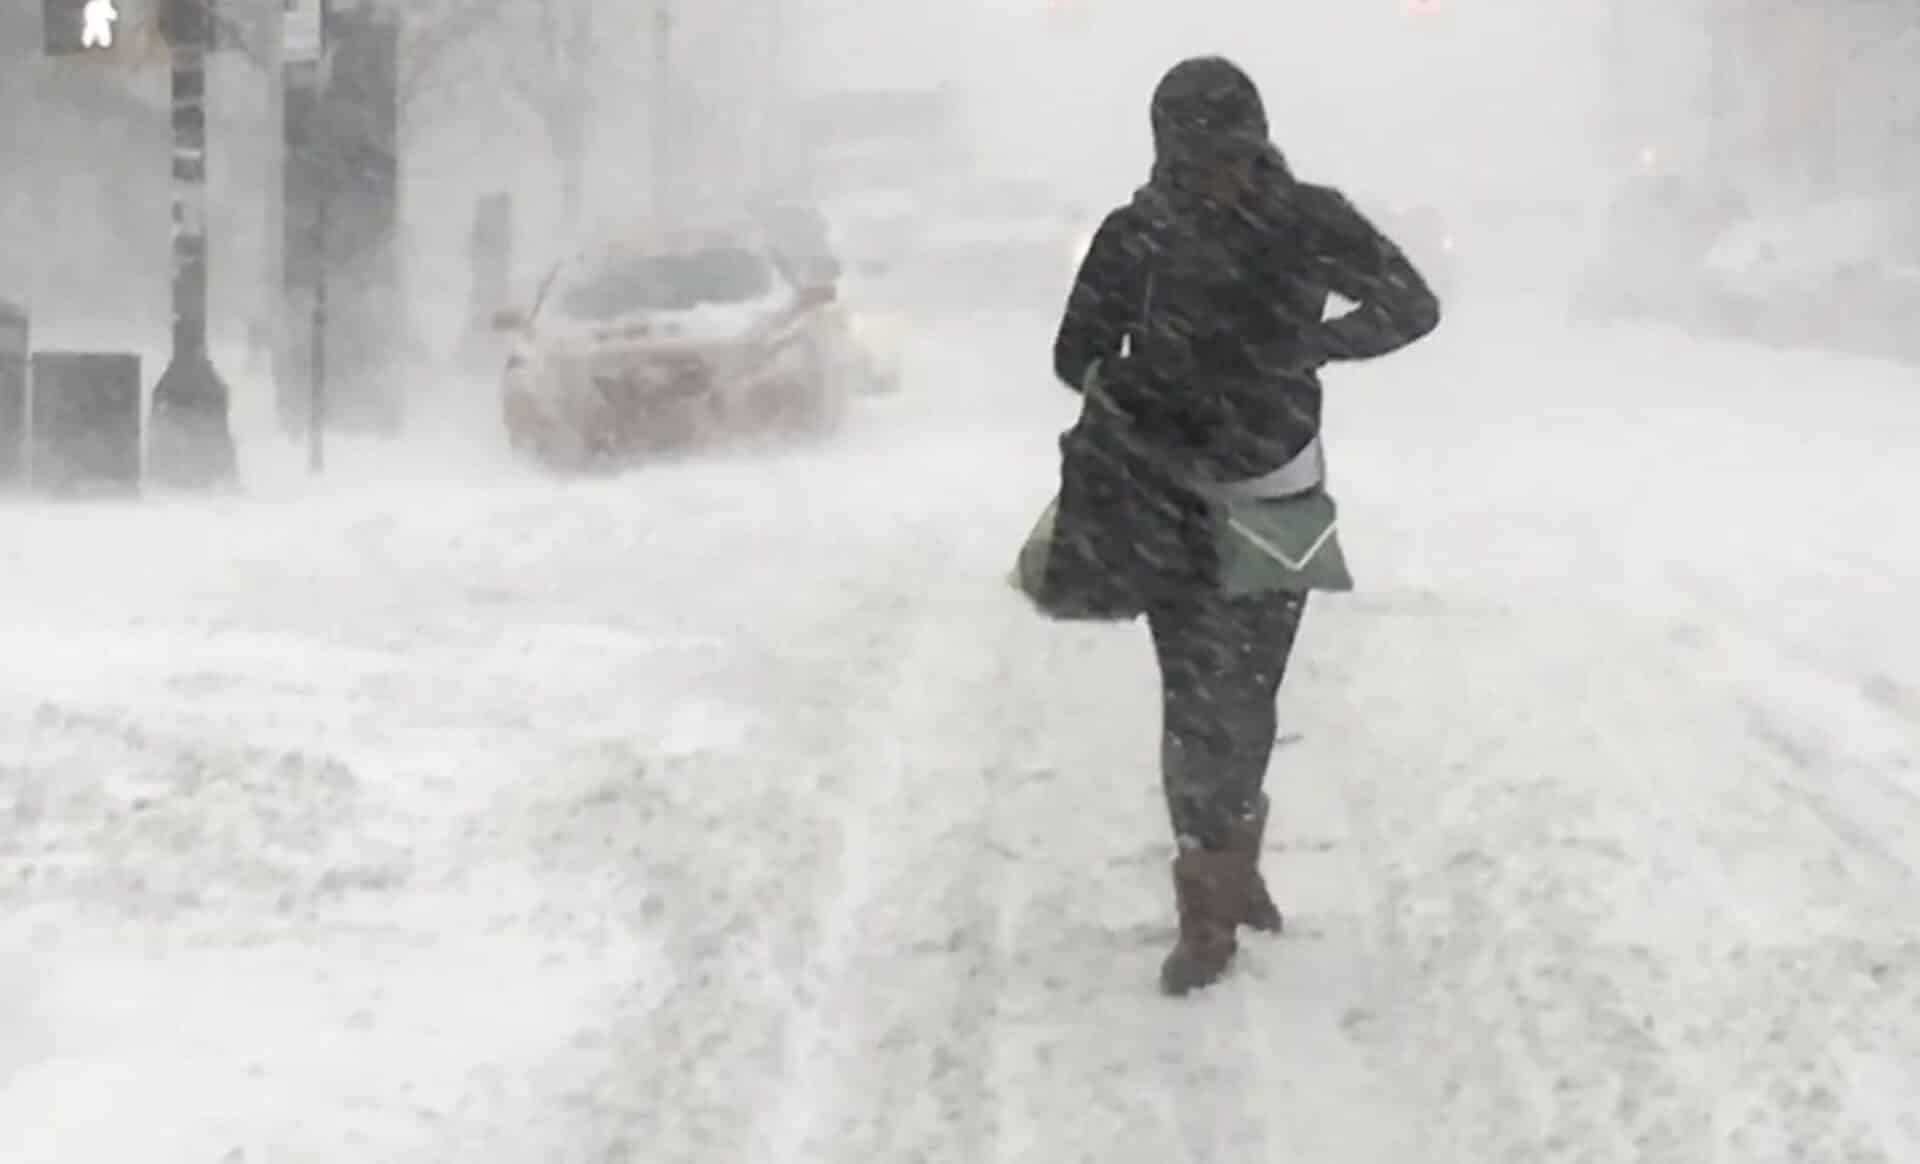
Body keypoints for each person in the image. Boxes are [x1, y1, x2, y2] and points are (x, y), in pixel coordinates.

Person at [1046, 56, 1440, 995]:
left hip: (1280, 485)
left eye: (1226, 151)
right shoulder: (1136, 234)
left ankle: (1234, 860)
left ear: (1256, 141)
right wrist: (1138, 386)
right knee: (1193, 697)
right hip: (1166, 494)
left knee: (1250, 694)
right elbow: (1075, 355)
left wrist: (1315, 343)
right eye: (1196, 155)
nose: (1215, 172)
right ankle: (1206, 911)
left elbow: (1413, 306)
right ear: (1166, 150)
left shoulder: (1307, 218)